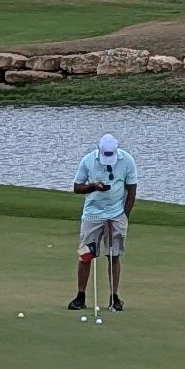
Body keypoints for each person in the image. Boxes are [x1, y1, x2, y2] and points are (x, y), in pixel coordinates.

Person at [69, 132, 138, 316]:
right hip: (92, 215)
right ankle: (80, 296)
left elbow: (132, 191)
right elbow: (77, 187)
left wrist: (124, 216)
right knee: (85, 255)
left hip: (116, 216)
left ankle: (114, 297)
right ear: (99, 150)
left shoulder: (127, 161)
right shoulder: (88, 160)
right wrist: (93, 186)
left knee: (114, 256)